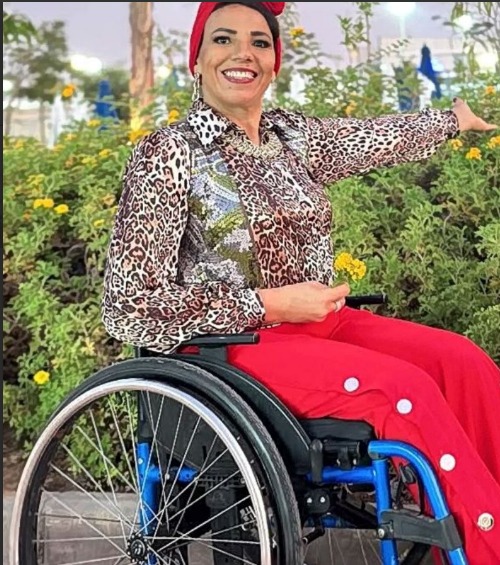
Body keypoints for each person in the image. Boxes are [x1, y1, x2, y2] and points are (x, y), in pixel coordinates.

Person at [102, 1, 500, 562]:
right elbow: (129, 306)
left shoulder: (289, 137)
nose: (243, 53)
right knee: (401, 389)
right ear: (197, 59)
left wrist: (450, 120)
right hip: (229, 348)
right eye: (223, 39)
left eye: (259, 42)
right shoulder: (168, 154)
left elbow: (371, 137)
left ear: (275, 62)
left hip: (320, 325)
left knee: (463, 362)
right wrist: (267, 304)